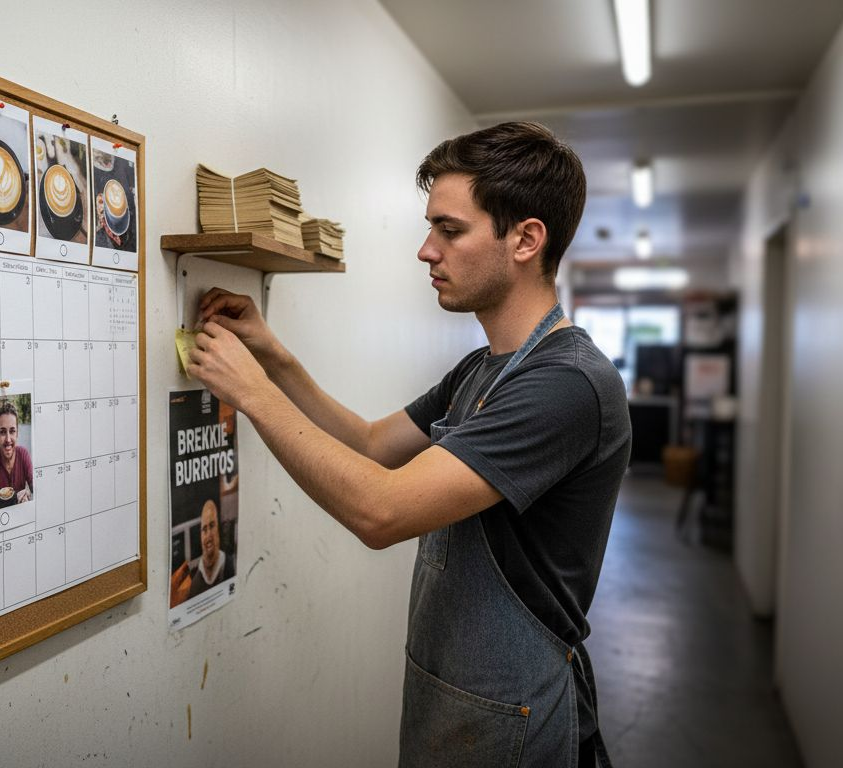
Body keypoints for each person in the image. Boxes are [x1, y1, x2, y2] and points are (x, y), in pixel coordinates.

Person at [186, 122, 630, 767]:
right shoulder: (483, 369)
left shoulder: (565, 386)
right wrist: (273, 359)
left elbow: (381, 510)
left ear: (526, 240)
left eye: (450, 230)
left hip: (513, 712)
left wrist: (251, 394)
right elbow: (370, 444)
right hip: (448, 692)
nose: (426, 250)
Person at [169, 499, 235, 606]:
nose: (208, 535)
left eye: (212, 525)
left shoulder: (231, 566)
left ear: (218, 529)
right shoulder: (192, 582)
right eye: (204, 529)